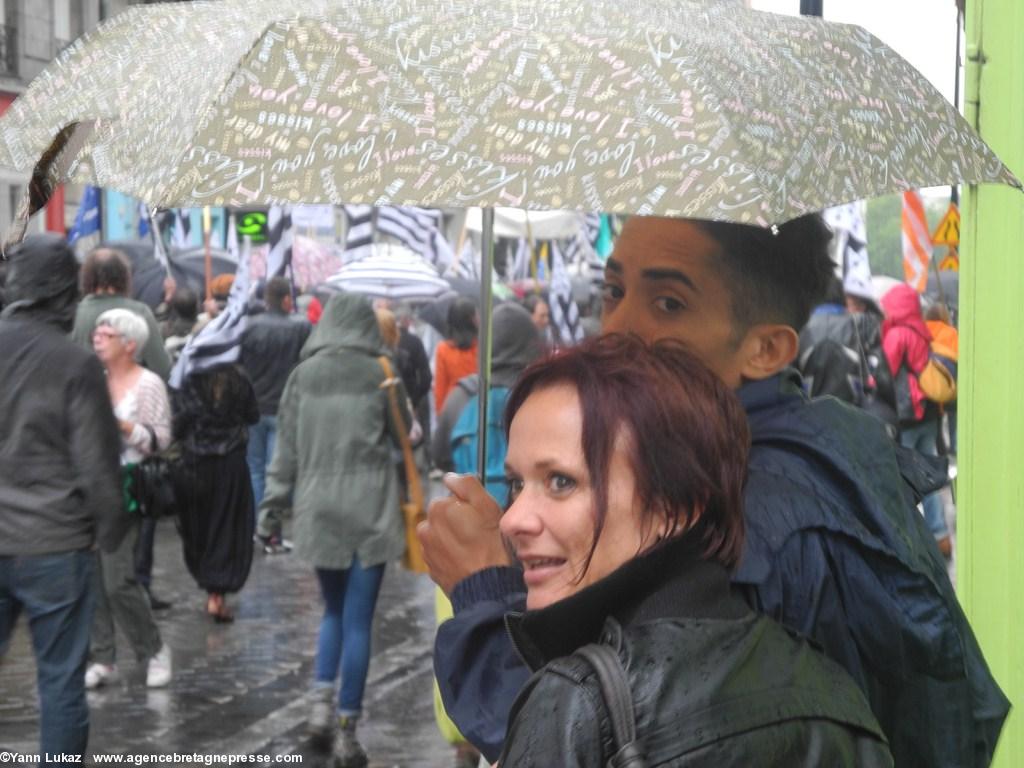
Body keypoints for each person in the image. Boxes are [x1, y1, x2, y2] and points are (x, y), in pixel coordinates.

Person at [420, 215, 1008, 767]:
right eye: (614, 291)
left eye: (669, 303)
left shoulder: (755, 519)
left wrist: (484, 598)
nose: (619, 328)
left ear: (766, 348)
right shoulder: (818, 438)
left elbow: (609, 736)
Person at [497, 334, 892, 766]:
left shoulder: (578, 704)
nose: (513, 519)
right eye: (516, 484)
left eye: (560, 482)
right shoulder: (831, 693)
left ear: (677, 506)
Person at [259, 292, 411, 768]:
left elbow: (285, 453)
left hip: (318, 509)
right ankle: (347, 731)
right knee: (359, 620)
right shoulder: (383, 373)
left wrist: (271, 508)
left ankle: (318, 714)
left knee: (332, 612)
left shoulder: (303, 377)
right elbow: (405, 432)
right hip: (371, 509)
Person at [0, 235, 125, 760]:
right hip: (56, 543)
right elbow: (99, 468)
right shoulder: (75, 364)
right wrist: (112, 531)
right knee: (60, 684)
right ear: (63, 295)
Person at [85, 308, 174, 690]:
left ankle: (153, 649)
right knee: (91, 577)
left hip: (129, 488)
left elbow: (160, 439)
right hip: (91, 486)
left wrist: (119, 424)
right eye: (98, 330)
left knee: (118, 578)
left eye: (108, 331)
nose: (98, 335)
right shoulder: (91, 380)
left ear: (130, 344)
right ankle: (102, 657)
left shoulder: (149, 383)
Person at [172, 363, 259, 622]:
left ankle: (210, 583)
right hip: (230, 462)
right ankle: (217, 593)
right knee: (227, 527)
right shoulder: (240, 377)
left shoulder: (189, 379)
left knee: (200, 527)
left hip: (195, 463)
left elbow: (179, 423)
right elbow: (252, 415)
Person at [881, 284, 952, 558]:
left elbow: (884, 371)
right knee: (927, 474)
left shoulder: (897, 334)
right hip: (929, 413)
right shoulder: (923, 332)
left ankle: (907, 541)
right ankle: (940, 534)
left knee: (902, 477)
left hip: (907, 415)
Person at [239, 276, 311, 514]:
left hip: (254, 407)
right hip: (284, 407)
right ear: (287, 299)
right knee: (275, 469)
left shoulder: (248, 327)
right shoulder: (300, 327)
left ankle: (258, 520)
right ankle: (269, 522)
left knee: (255, 468)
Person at [71, 247, 172, 380]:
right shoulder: (141, 313)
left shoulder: (74, 315)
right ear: (124, 275)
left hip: (86, 395)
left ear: (87, 277)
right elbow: (162, 368)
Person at [433, 297, 478, 416]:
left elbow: (440, 389)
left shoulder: (443, 349)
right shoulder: (481, 348)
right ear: (471, 319)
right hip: (477, 409)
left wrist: (440, 416)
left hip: (452, 409)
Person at [925, 302, 959, 456]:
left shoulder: (922, 330)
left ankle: (940, 451)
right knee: (953, 418)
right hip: (949, 385)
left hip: (929, 386)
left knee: (935, 425)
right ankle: (954, 449)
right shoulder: (952, 333)